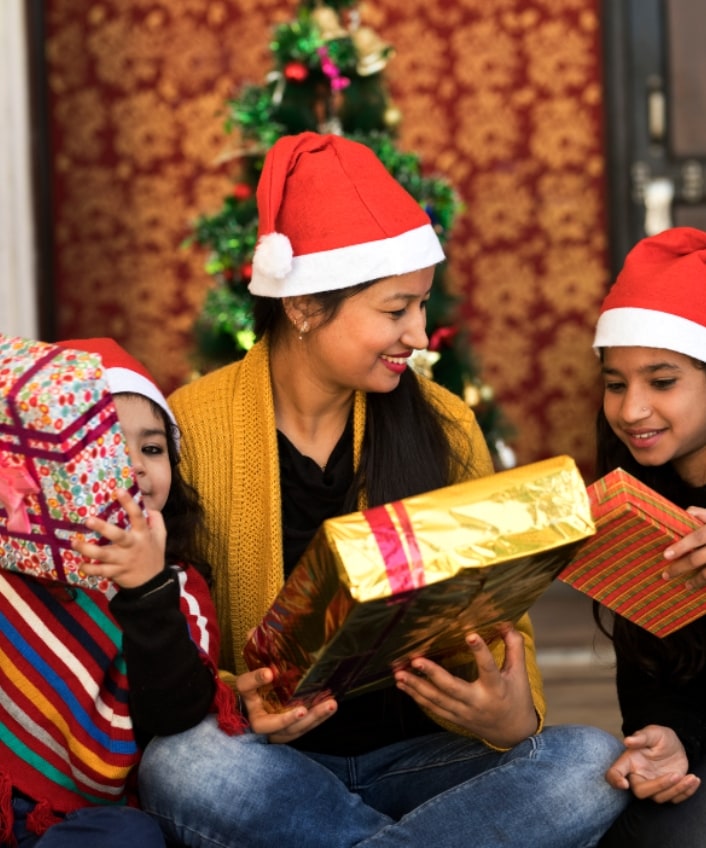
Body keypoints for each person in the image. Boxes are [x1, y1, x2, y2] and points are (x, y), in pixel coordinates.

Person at [138, 132, 627, 848]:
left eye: (421, 307)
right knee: (180, 763)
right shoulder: (192, 427)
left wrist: (510, 717)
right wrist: (237, 699)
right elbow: (175, 631)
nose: (420, 335)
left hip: (425, 757)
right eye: (397, 310)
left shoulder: (445, 423)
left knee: (591, 762)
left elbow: (502, 620)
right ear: (304, 306)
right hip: (276, 769)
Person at [0, 338, 242, 847]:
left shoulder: (178, 586)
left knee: (130, 836)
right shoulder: (10, 572)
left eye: (152, 449)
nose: (133, 465)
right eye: (106, 447)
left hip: (89, 819)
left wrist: (147, 591)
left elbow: (176, 716)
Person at [590, 226, 706, 848]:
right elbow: (654, 677)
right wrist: (669, 735)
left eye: (662, 382)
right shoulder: (633, 501)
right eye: (616, 383)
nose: (632, 409)